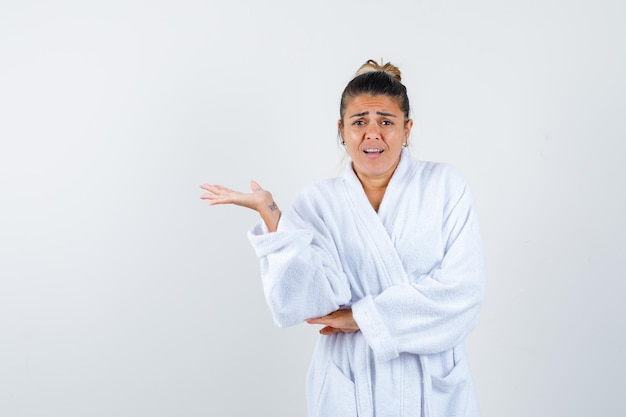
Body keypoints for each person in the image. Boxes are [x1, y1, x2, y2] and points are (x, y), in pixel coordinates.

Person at [200, 59, 486, 417]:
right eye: (359, 122)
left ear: (407, 128)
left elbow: (463, 294)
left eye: (386, 121)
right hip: (350, 382)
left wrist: (361, 317)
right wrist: (271, 214)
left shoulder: (445, 186)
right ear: (341, 129)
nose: (372, 133)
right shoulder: (317, 202)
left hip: (431, 386)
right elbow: (301, 302)